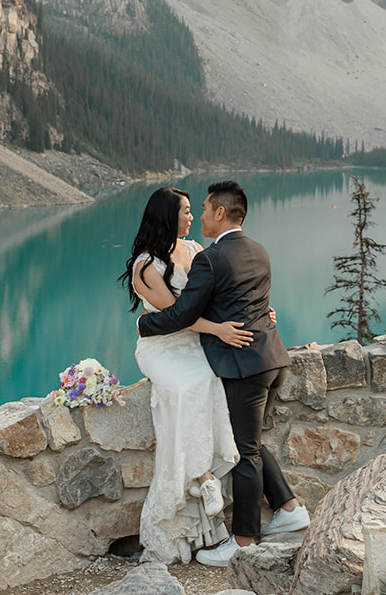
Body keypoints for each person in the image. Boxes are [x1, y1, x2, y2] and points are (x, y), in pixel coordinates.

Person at [138, 180, 310, 567]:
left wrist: (144, 326)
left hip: (244, 366)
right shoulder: (259, 250)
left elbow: (182, 315)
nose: (198, 215)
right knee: (247, 439)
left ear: (220, 212)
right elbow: (245, 301)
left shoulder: (210, 257)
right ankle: (288, 507)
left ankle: (244, 541)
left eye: (202, 209)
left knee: (245, 451)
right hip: (272, 358)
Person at [122, 187, 246, 564]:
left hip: (194, 343)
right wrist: (220, 330)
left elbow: (215, 297)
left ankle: (203, 483)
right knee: (182, 387)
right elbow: (177, 315)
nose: (193, 217)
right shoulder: (146, 264)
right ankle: (202, 477)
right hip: (162, 346)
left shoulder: (193, 251)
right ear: (167, 215)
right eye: (187, 211)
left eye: (195, 211)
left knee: (209, 382)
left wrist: (254, 315)